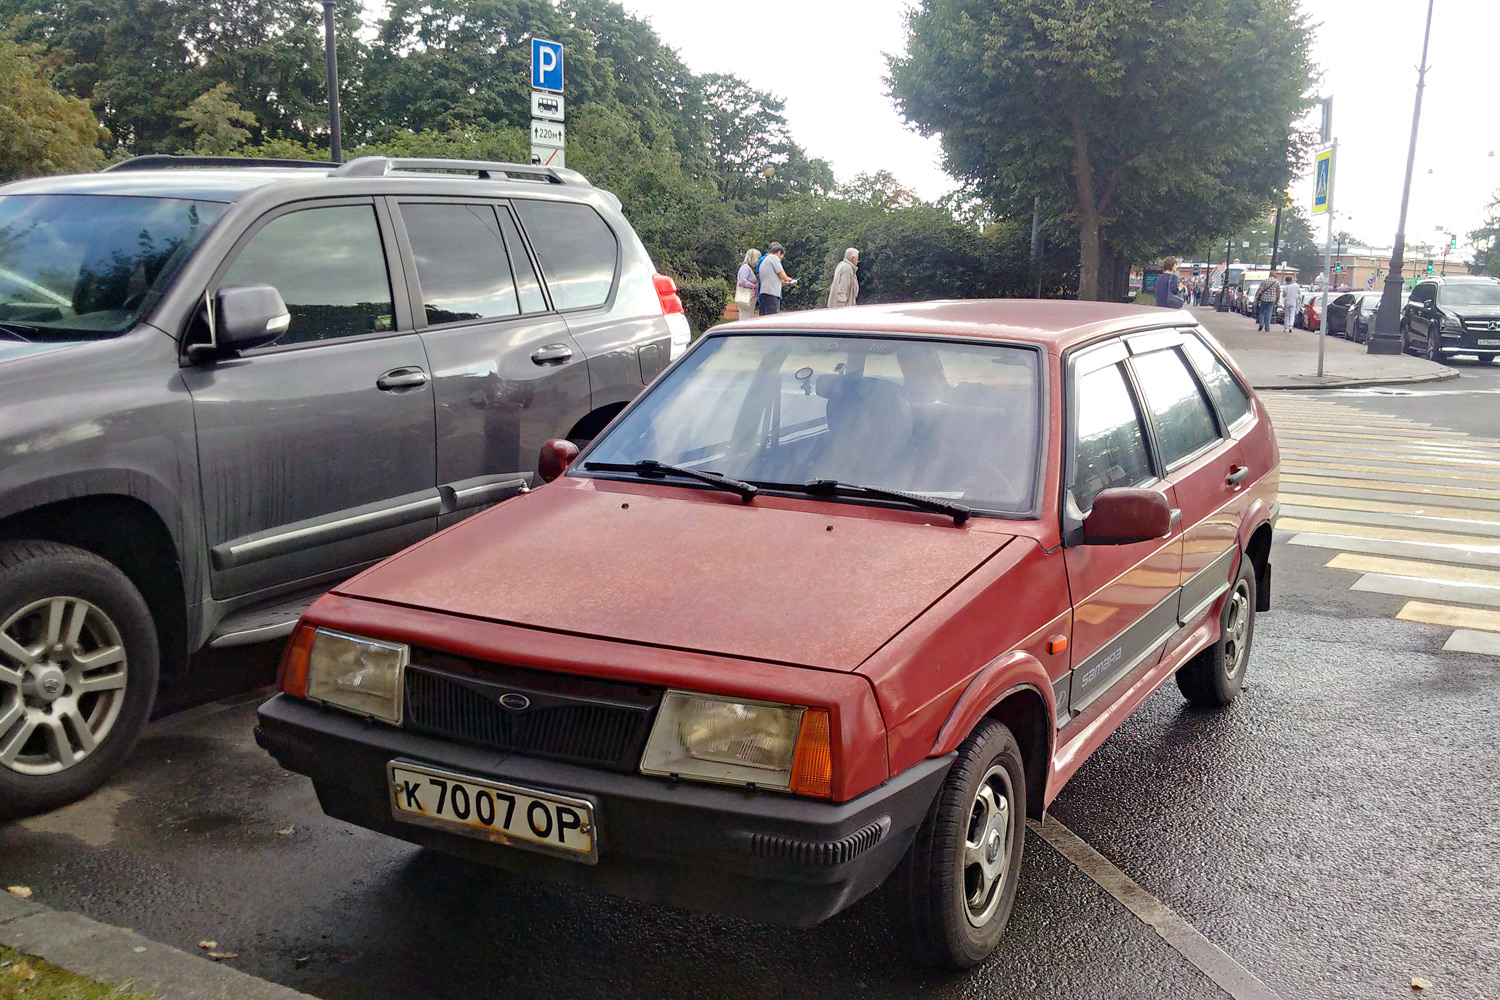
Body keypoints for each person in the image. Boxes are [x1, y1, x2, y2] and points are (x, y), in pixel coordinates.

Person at [756, 242, 796, 315]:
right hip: (771, 294)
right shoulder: (773, 258)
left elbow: (776, 281)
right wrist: (790, 280)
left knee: (764, 318)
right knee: (772, 318)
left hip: (764, 293)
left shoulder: (765, 260)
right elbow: (783, 276)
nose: (780, 260)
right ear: (779, 252)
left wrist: (788, 283)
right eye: (781, 257)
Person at [735, 248, 759, 320]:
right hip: (746, 297)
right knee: (745, 316)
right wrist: (754, 286)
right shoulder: (745, 268)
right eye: (757, 258)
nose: (758, 260)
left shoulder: (748, 268)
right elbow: (742, 281)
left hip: (749, 297)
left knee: (748, 315)